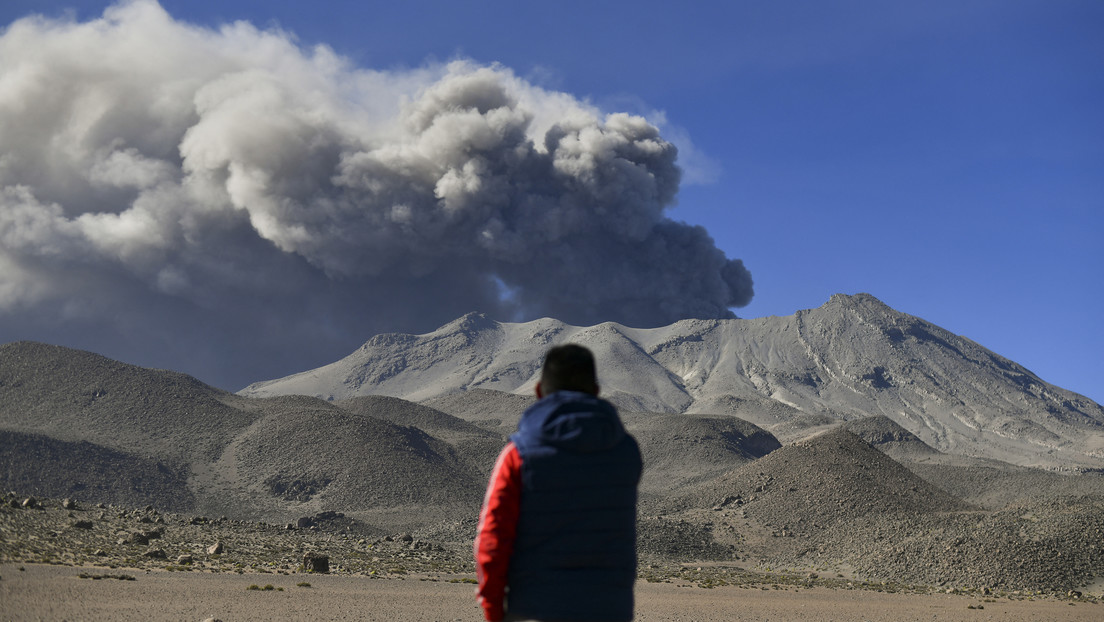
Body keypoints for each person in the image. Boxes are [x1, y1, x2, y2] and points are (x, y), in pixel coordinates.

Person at [474, 344, 643, 622]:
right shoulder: (625, 450)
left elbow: (492, 538)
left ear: (539, 391)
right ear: (597, 391)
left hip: (536, 610)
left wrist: (494, 612)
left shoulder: (519, 454)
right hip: (610, 610)